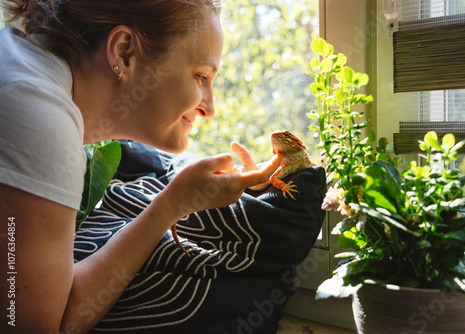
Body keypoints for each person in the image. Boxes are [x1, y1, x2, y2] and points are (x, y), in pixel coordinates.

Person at [0, 1, 282, 333]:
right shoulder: (39, 117)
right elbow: (39, 326)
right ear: (124, 52)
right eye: (201, 76)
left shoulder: (20, 64)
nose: (210, 108)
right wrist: (171, 206)